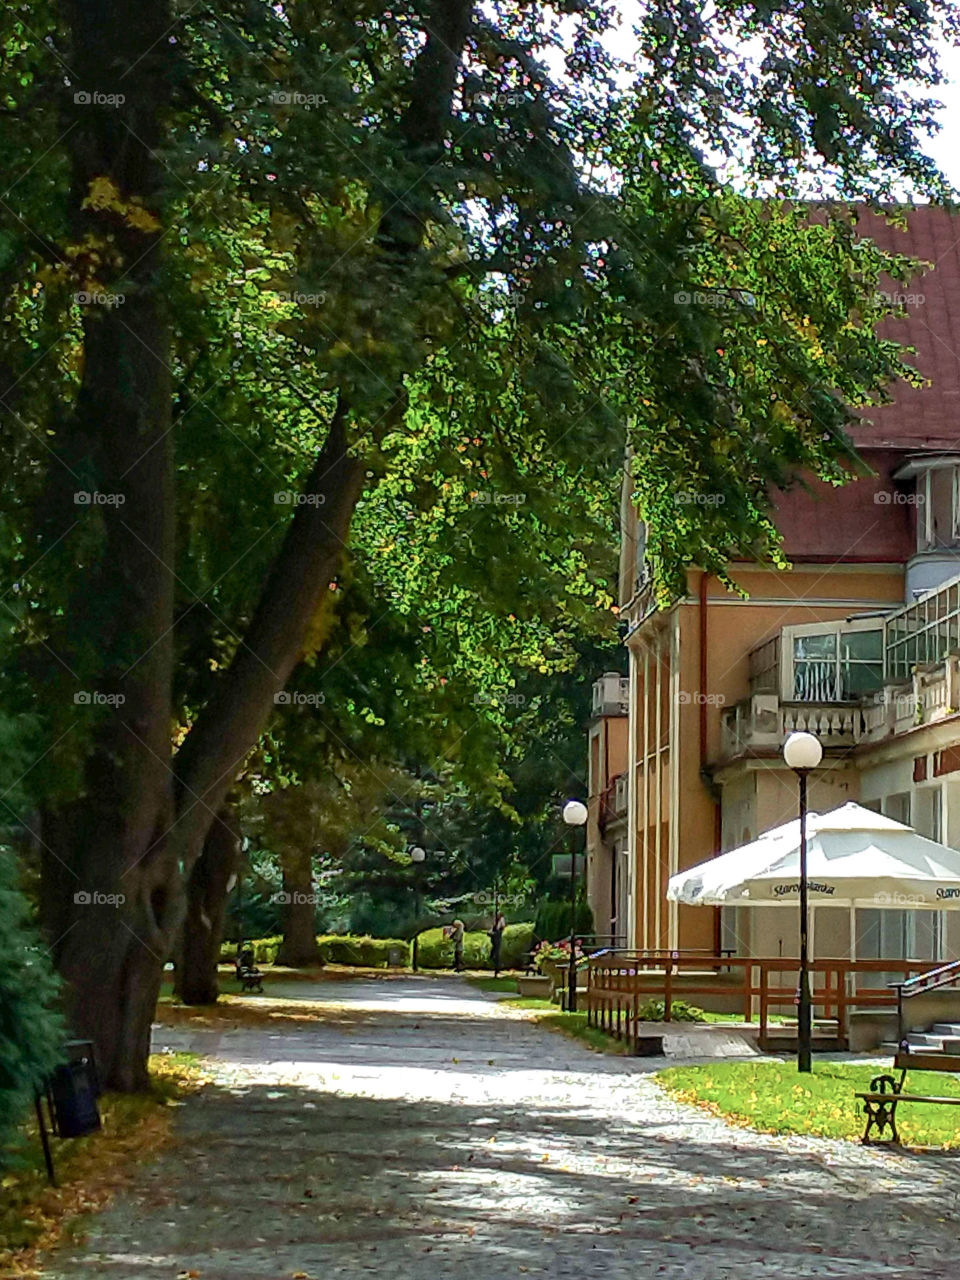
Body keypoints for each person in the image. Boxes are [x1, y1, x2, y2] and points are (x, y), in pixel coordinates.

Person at [489, 912, 506, 976]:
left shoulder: (501, 920)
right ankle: (496, 965)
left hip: (497, 937)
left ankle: (498, 967)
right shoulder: (495, 921)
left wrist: (497, 932)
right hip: (494, 938)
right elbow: (493, 928)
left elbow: (502, 927)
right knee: (494, 950)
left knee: (496, 952)